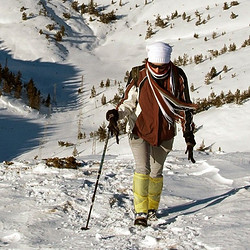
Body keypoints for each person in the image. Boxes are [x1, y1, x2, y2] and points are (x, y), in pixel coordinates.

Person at [106, 41, 197, 227]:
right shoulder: (140, 75)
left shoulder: (177, 76)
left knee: (156, 172)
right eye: (154, 65)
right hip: (139, 129)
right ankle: (141, 212)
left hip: (164, 131)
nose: (157, 69)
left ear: (168, 63)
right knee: (143, 169)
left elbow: (184, 106)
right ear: (148, 61)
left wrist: (188, 135)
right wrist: (116, 114)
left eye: (161, 66)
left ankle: (152, 208)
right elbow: (128, 102)